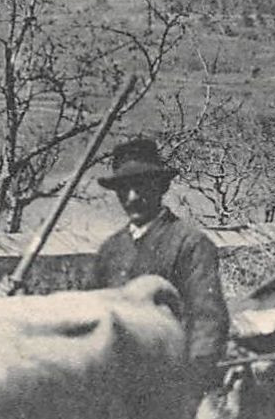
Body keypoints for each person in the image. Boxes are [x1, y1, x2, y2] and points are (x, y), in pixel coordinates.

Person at [90, 138, 229, 403]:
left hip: (171, 381)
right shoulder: (110, 250)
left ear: (161, 186)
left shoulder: (189, 243)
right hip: (116, 382)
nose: (132, 197)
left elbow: (207, 319)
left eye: (141, 186)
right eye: (123, 188)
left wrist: (192, 382)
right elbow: (90, 311)